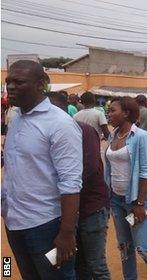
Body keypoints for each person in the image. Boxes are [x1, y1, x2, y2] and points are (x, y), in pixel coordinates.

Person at [2, 60, 82, 279]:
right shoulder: (16, 119)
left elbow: (71, 183)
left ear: (41, 84)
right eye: (8, 82)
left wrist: (66, 233)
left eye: (19, 82)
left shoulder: (60, 124)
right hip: (15, 223)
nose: (11, 87)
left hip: (47, 228)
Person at [47, 91, 112, 279]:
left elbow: (89, 167)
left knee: (96, 265)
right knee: (79, 264)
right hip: (68, 211)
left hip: (91, 207)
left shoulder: (83, 130)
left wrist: (63, 186)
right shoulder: (48, 133)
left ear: (62, 109)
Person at [105, 97, 147, 279]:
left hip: (137, 200)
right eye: (108, 111)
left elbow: (146, 172)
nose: (109, 114)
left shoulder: (141, 136)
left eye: (112, 110)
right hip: (117, 200)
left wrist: (140, 203)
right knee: (125, 246)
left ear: (126, 113)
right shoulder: (112, 135)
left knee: (142, 246)